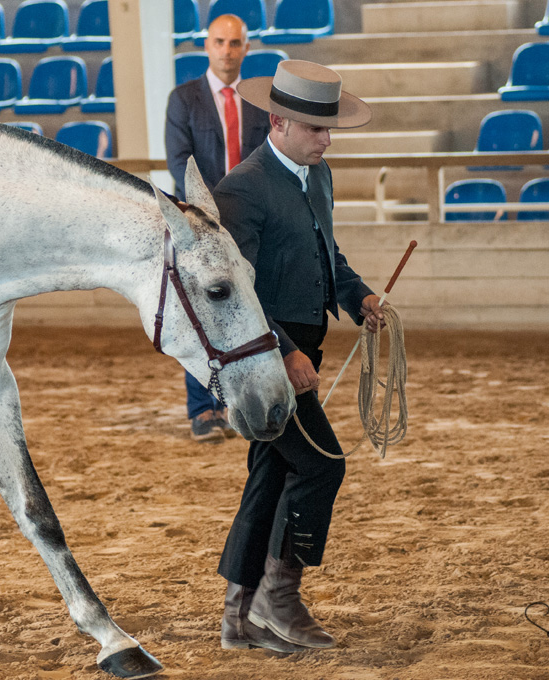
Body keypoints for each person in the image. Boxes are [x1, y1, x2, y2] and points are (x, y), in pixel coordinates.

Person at [212, 60, 386, 653]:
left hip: (300, 349)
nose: (327, 139)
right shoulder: (242, 186)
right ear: (279, 121)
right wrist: (284, 353)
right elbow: (239, 291)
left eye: (329, 129)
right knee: (320, 464)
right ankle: (276, 602)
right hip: (263, 358)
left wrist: (358, 294)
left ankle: (239, 617)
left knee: (272, 474)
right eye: (317, 129)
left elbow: (326, 251)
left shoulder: (318, 175)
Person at [165, 13, 271, 442]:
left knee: (245, 311)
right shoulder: (183, 98)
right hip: (202, 225)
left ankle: (235, 402)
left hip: (248, 220)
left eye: (235, 43)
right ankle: (202, 410)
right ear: (206, 46)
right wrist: (211, 211)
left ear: (246, 48)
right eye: (219, 42)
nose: (227, 51)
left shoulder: (261, 101)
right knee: (202, 315)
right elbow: (178, 160)